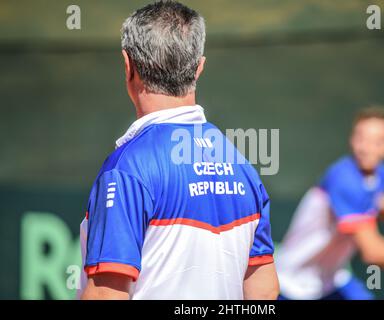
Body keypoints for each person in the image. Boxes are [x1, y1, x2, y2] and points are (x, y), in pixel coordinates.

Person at [78, 0, 279, 300]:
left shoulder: (126, 170)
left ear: (128, 65)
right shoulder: (242, 165)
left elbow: (107, 295)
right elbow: (263, 289)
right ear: (199, 68)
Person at [276, 106, 384, 300]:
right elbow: (372, 251)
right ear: (352, 139)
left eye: (376, 142)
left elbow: (375, 203)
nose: (365, 148)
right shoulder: (344, 179)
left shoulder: (379, 173)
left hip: (331, 280)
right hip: (292, 287)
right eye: (360, 138)